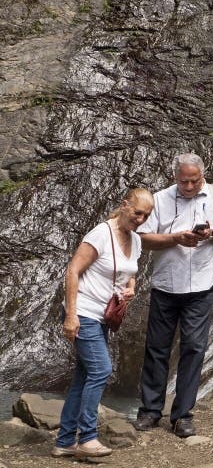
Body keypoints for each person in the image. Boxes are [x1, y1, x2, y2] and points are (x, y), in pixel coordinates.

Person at [133, 154, 213, 437]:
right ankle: (150, 411)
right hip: (165, 285)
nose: (189, 186)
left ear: (202, 176)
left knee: (194, 348)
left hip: (202, 286)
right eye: (184, 181)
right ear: (175, 177)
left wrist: (211, 233)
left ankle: (182, 415)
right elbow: (143, 239)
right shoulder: (160, 198)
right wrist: (175, 238)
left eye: (194, 181)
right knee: (157, 348)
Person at [54, 189, 154, 459]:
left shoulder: (136, 240)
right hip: (84, 312)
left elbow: (129, 274)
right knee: (101, 370)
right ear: (124, 206)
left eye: (146, 215)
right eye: (137, 212)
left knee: (83, 377)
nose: (141, 219)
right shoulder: (101, 233)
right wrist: (71, 315)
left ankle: (64, 441)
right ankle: (87, 437)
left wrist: (130, 289)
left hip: (103, 317)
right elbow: (72, 271)